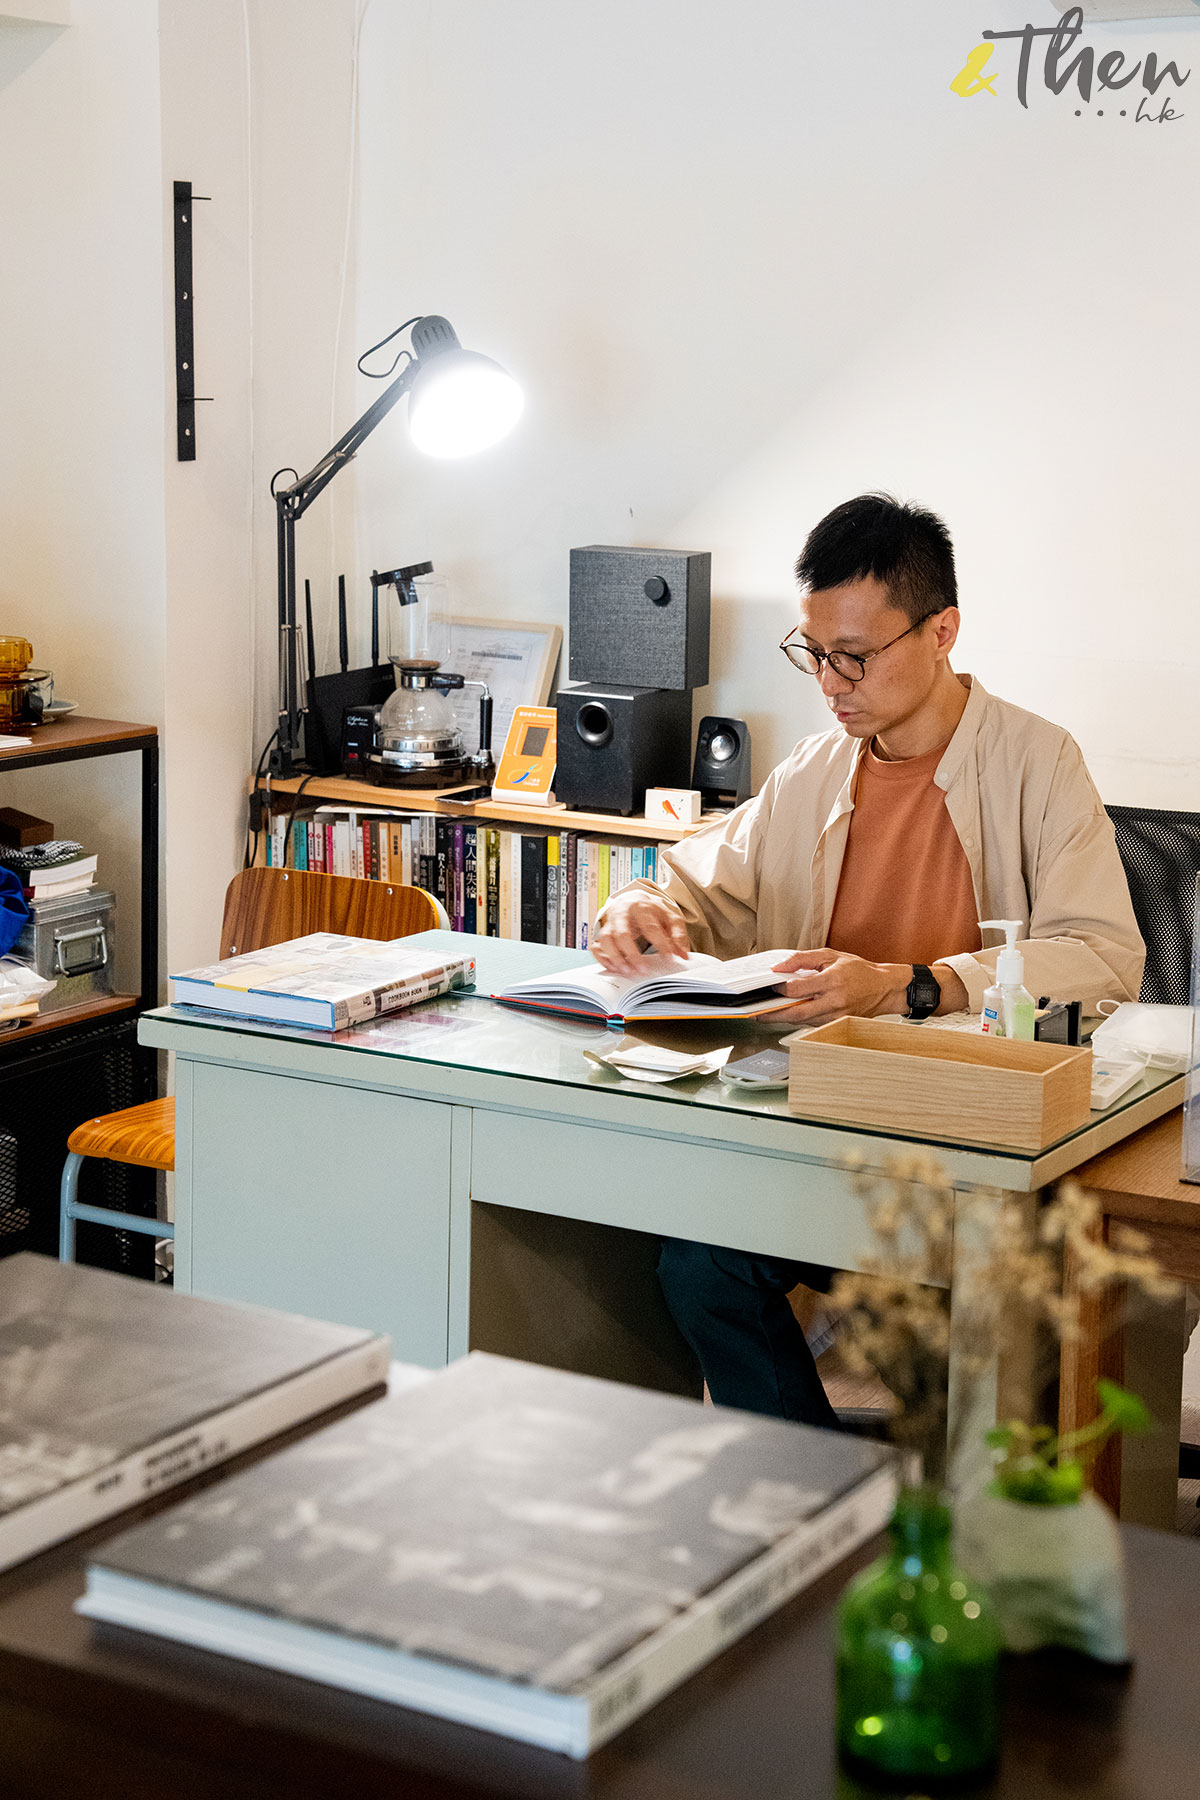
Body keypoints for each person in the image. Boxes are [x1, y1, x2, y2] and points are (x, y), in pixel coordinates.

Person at [593, 492, 1144, 1428]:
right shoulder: (814, 770)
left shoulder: (1039, 764)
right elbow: (695, 884)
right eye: (814, 652)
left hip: (970, 1146)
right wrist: (637, 904)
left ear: (943, 631)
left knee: (973, 1363)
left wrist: (911, 983)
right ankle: (816, 1493)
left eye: (856, 655)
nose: (832, 680)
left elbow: (1103, 955)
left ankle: (951, 1516)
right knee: (697, 1262)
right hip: (820, 1132)